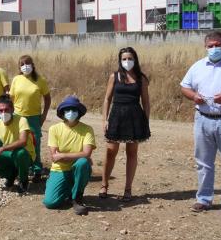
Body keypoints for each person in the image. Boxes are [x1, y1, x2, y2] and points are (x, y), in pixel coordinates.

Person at [181, 31, 221, 221]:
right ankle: (204, 199)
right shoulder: (198, 66)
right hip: (203, 119)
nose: (214, 48)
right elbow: (184, 86)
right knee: (203, 162)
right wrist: (194, 96)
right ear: (205, 47)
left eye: (217, 44)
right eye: (210, 46)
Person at [100, 47, 151, 201]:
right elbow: (107, 99)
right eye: (124, 59)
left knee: (132, 153)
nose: (127, 62)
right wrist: (105, 119)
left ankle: (128, 189)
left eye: (130, 58)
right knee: (110, 151)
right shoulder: (114, 77)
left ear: (135, 60)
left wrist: (146, 121)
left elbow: (146, 102)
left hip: (134, 117)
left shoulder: (141, 78)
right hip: (116, 116)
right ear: (120, 61)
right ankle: (104, 184)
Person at [43, 96, 95, 216]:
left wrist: (63, 155)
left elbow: (87, 153)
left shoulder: (87, 129)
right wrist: (76, 155)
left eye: (74, 109)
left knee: (83, 163)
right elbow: (54, 157)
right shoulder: (54, 129)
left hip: (77, 168)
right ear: (62, 112)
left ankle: (77, 197)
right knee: (50, 203)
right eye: (67, 110)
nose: (70, 113)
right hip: (59, 170)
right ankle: (69, 189)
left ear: (79, 112)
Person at [0, 95, 34, 193]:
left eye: (6, 110)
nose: (3, 113)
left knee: (20, 153)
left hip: (26, 155)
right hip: (10, 154)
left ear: (12, 109)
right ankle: (11, 175)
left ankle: (23, 180)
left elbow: (23, 141)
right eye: (1, 110)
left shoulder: (22, 120)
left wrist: (2, 148)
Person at [10, 55, 51, 182]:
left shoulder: (40, 80)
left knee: (35, 143)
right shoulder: (16, 79)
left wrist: (44, 115)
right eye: (22, 64)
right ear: (19, 67)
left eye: (27, 63)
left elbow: (47, 98)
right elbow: (11, 98)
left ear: (33, 65)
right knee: (19, 143)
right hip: (18, 116)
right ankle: (22, 168)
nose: (25, 66)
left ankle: (37, 169)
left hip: (34, 117)